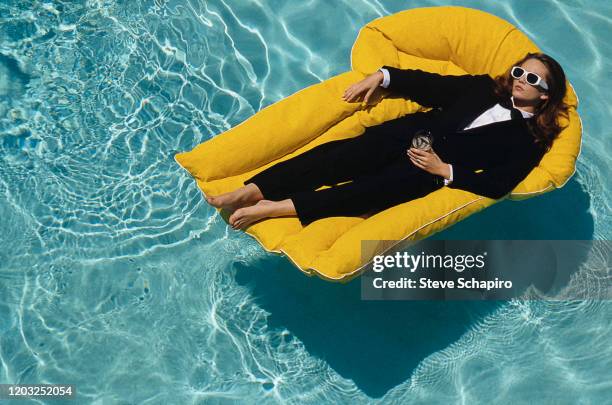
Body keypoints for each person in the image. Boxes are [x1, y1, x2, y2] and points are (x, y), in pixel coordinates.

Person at [207, 52, 569, 230]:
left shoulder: (530, 138)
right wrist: (383, 77)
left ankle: (277, 207)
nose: (523, 80)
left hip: (425, 171)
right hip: (403, 135)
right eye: (520, 72)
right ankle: (252, 190)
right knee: (331, 159)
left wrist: (446, 170)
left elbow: (501, 182)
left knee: (369, 191)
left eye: (535, 81)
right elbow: (430, 84)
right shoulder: (482, 88)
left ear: (545, 98)